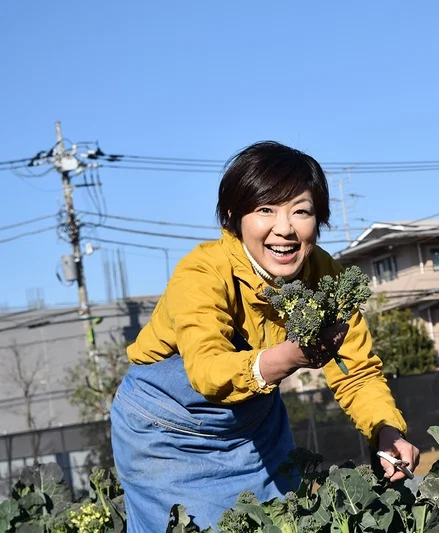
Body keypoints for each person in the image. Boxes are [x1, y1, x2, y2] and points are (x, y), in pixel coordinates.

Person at [110, 140, 419, 532]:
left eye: (301, 211)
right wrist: (289, 358)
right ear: (232, 216)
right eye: (265, 209)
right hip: (167, 431)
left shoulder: (327, 277)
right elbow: (207, 371)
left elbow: (356, 371)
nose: (285, 228)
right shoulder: (202, 273)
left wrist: (385, 429)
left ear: (318, 219)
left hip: (257, 425)